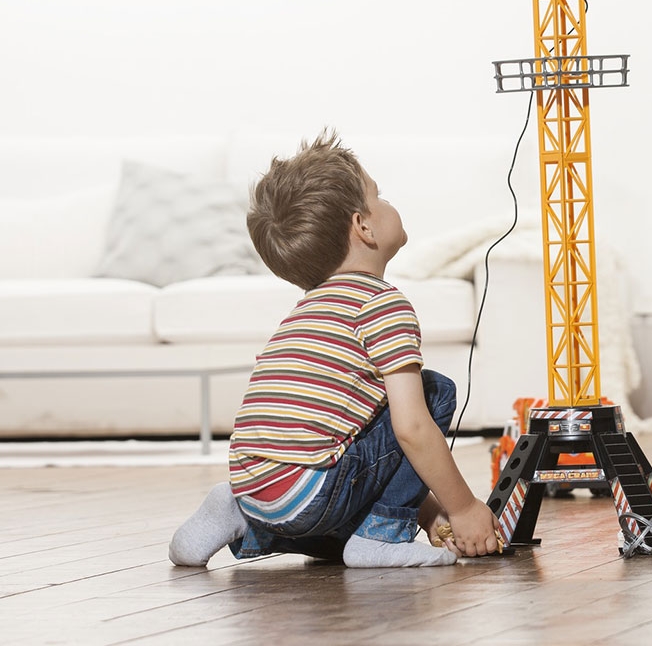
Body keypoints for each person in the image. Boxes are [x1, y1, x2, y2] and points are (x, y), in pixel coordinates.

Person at [169, 130, 501, 568]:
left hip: (255, 488)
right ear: (363, 226)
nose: (388, 202)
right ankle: (381, 536)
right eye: (379, 196)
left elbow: (357, 444)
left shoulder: (305, 312)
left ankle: (238, 518)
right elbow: (411, 430)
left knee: (330, 516)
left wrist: (427, 513)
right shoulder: (381, 303)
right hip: (309, 493)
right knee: (434, 392)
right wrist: (464, 508)